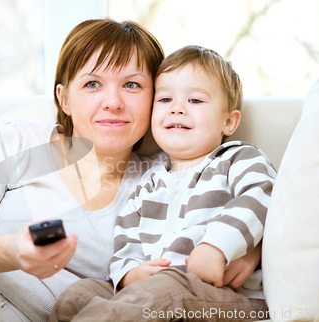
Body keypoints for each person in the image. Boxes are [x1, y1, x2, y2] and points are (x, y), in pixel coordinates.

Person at [0, 22, 261, 322]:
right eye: (93, 84)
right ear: (64, 98)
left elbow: (247, 206)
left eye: (133, 85)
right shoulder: (15, 143)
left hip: (24, 317)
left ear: (156, 97)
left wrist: (254, 248)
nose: (114, 102)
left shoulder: (161, 183)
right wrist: (11, 251)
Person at [49, 45, 277, 322]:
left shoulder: (238, 159)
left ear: (229, 121)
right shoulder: (148, 181)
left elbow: (262, 198)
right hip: (156, 290)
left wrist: (217, 246)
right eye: (165, 99)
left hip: (229, 297)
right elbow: (126, 239)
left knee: (164, 290)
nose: (177, 109)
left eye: (195, 101)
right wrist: (130, 274)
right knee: (80, 294)